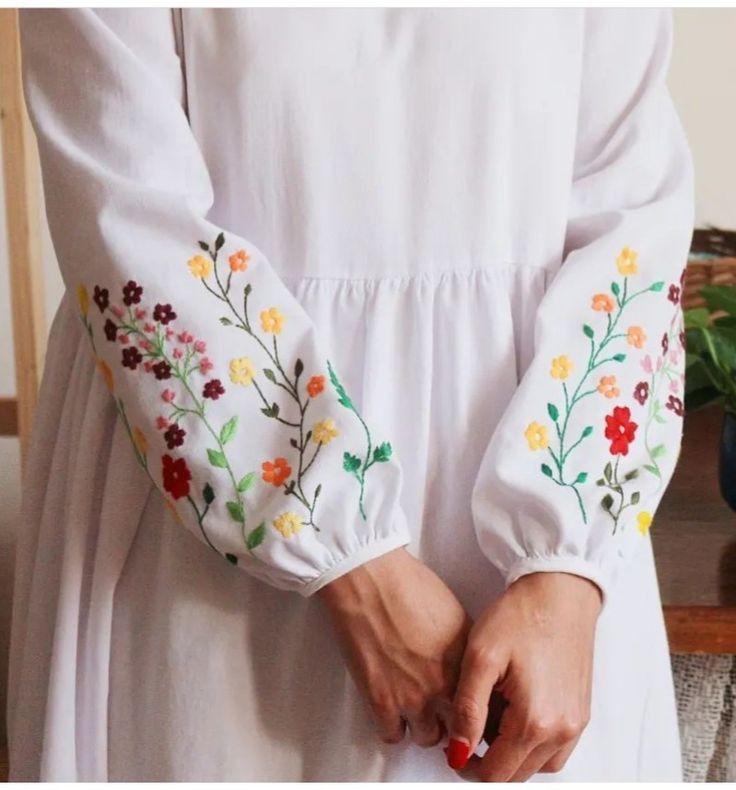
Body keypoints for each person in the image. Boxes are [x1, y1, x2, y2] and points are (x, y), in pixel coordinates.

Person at [8, 7, 693, 782]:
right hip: (212, 526)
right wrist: (349, 566)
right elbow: (126, 223)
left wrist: (565, 569)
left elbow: (633, 223)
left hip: (543, 569)